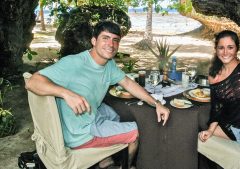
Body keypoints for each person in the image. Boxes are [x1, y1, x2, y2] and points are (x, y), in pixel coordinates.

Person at [25, 20, 170, 169]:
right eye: (105, 38)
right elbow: (31, 82)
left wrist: (156, 103)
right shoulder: (74, 63)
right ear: (94, 41)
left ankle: (104, 162)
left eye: (115, 40)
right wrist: (66, 93)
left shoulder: (109, 64)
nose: (111, 44)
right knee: (136, 131)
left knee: (114, 113)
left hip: (85, 117)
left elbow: (127, 83)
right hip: (80, 133)